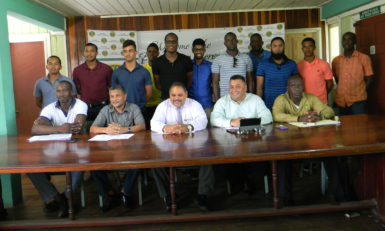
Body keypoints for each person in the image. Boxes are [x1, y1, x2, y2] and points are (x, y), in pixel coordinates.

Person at [272, 75, 345, 206]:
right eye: (293, 86)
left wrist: (319, 116)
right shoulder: (281, 99)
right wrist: (299, 119)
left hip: (313, 142)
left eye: (299, 85)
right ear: (287, 88)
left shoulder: (310, 98)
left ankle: (342, 198)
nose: (297, 89)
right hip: (290, 143)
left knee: (331, 156)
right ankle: (286, 202)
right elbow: (276, 115)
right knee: (282, 162)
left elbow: (328, 111)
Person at [150, 82, 214, 212]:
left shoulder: (194, 104)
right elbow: (153, 123)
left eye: (180, 95)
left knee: (208, 159)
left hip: (194, 147)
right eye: (173, 95)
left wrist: (188, 127)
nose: (176, 98)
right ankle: (168, 196)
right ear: (169, 95)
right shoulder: (163, 106)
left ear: (186, 94)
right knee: (155, 164)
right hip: (169, 148)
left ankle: (203, 195)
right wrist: (166, 128)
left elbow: (203, 121)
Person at [29, 81, 87, 217]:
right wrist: (60, 128)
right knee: (31, 170)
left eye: (65, 91)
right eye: (59, 91)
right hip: (54, 151)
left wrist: (48, 129)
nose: (61, 94)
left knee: (79, 167)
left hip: (76, 150)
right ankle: (60, 199)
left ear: (72, 92)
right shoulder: (49, 108)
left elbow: (77, 127)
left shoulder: (80, 104)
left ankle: (65, 199)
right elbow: (35, 129)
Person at [211, 75, 272, 193]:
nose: (234, 90)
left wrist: (247, 123)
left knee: (258, 158)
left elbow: (268, 117)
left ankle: (251, 183)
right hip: (230, 144)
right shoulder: (222, 101)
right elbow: (214, 119)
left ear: (245, 87)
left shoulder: (255, 99)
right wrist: (232, 122)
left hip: (253, 142)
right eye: (231, 87)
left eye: (238, 87)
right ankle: (240, 184)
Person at [90, 85, 145, 211]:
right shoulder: (106, 110)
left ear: (125, 96)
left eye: (117, 96)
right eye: (112, 96)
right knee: (94, 167)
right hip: (109, 151)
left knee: (137, 163)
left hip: (130, 149)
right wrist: (106, 129)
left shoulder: (133, 108)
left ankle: (125, 191)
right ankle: (109, 194)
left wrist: (125, 129)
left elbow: (142, 126)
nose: (114, 99)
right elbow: (92, 129)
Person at [73, 43, 113, 131]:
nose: (89, 53)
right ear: (83, 53)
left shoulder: (106, 69)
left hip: (104, 106)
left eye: (92, 51)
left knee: (104, 132)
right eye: (86, 51)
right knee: (86, 133)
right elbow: (77, 88)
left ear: (96, 53)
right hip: (85, 107)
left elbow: (110, 86)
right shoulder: (77, 70)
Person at [332, 32, 373, 115]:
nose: (346, 42)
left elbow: (369, 78)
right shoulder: (336, 60)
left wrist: (361, 91)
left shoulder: (364, 58)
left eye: (349, 39)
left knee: (359, 126)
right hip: (341, 100)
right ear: (342, 42)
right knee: (343, 126)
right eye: (344, 39)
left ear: (355, 41)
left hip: (358, 100)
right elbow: (337, 79)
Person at [256, 37, 298, 110]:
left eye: (280, 45)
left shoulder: (292, 64)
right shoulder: (262, 64)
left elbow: (296, 86)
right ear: (271, 47)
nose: (277, 49)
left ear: (284, 46)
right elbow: (259, 88)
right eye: (275, 46)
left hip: (287, 104)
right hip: (268, 105)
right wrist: (259, 106)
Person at [112, 39, 152, 112]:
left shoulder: (144, 72)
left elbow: (149, 93)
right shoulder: (117, 73)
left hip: (140, 111)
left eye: (130, 51)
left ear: (135, 52)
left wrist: (140, 105)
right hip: (122, 112)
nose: (128, 54)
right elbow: (114, 93)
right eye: (125, 51)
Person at [212, 32, 253, 102]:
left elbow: (250, 80)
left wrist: (251, 99)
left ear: (237, 41)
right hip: (225, 99)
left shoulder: (246, 58)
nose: (231, 42)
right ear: (225, 43)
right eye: (228, 40)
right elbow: (215, 82)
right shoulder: (218, 60)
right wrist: (217, 101)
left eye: (233, 39)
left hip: (243, 98)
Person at [152, 33, 193, 100]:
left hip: (182, 99)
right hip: (165, 99)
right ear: (165, 43)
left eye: (174, 42)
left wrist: (181, 92)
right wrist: (168, 92)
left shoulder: (186, 60)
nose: (171, 44)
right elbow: (157, 84)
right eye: (168, 42)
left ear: (177, 43)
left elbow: (189, 81)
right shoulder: (157, 62)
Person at [297, 37, 333, 105]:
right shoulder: (298, 66)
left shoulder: (324, 64)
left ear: (314, 47)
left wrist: (323, 94)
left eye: (310, 46)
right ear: (302, 49)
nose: (307, 49)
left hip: (321, 102)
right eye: (305, 47)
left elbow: (330, 84)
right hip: (305, 102)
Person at [189, 38, 213, 120]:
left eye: (201, 49)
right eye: (196, 49)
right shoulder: (188, 65)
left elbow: (214, 83)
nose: (199, 52)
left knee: (209, 131)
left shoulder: (210, 66)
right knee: (192, 130)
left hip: (207, 105)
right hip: (191, 105)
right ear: (193, 50)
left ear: (204, 50)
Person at [143, 43, 161, 130]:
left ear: (158, 53)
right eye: (149, 51)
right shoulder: (142, 69)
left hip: (159, 104)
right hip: (145, 105)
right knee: (147, 130)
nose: (151, 54)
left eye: (154, 52)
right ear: (146, 53)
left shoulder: (162, 68)